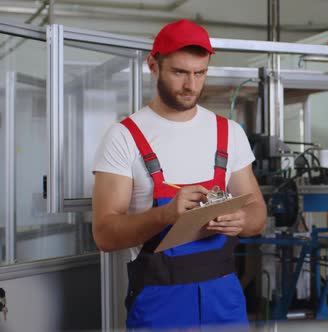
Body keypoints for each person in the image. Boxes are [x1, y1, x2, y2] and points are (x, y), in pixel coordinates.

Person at [91, 19, 267, 330]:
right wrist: (165, 215)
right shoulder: (124, 137)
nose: (191, 85)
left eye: (200, 73)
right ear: (153, 65)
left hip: (225, 301)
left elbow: (257, 216)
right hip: (160, 305)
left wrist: (241, 221)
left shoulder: (229, 133)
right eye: (180, 72)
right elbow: (104, 234)